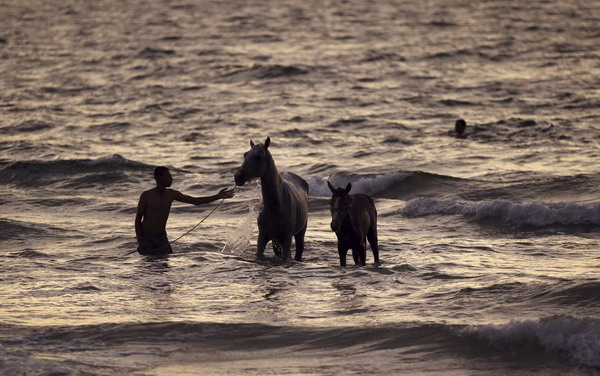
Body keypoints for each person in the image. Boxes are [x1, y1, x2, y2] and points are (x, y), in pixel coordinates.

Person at [135, 166, 235, 255]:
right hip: (147, 238)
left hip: (162, 238)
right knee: (149, 268)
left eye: (171, 176)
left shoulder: (172, 194)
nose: (171, 179)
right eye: (167, 176)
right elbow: (138, 219)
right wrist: (140, 241)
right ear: (158, 178)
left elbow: (195, 201)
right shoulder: (147, 195)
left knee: (165, 267)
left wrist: (218, 196)